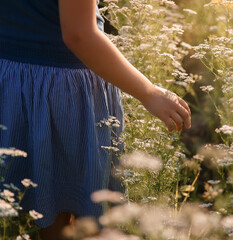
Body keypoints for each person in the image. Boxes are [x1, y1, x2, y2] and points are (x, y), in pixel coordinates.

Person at [0, 0, 191, 239]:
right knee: (83, 213)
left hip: (12, 77)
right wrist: (148, 92)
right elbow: (79, 35)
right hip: (64, 89)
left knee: (48, 204)